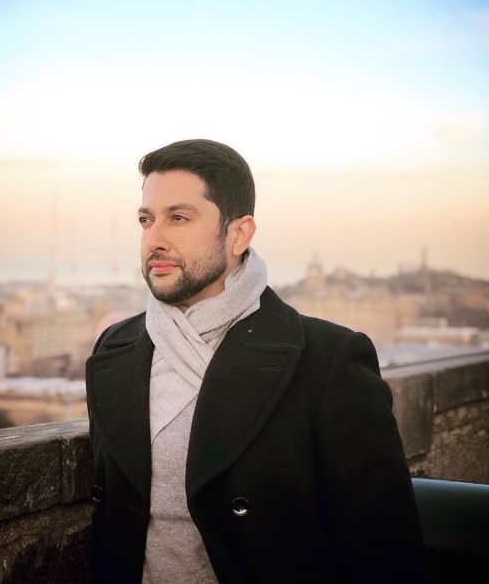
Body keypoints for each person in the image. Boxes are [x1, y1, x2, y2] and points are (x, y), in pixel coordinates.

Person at [86, 138, 430, 584]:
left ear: (239, 234)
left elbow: (387, 553)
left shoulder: (328, 361)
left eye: (179, 218)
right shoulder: (116, 349)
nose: (154, 240)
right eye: (146, 220)